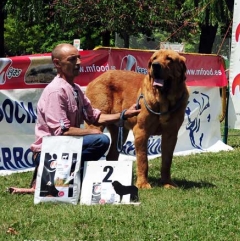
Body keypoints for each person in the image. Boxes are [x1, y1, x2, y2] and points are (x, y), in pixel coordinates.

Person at [9, 43, 141, 194]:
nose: (78, 62)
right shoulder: (56, 91)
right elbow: (62, 131)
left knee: (99, 140)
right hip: (48, 152)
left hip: (65, 147)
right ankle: (51, 178)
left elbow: (94, 117)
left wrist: (124, 114)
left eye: (78, 58)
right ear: (57, 63)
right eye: (72, 59)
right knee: (100, 140)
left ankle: (60, 181)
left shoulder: (76, 89)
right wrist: (92, 132)